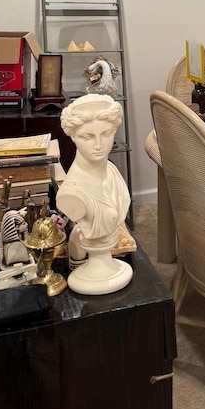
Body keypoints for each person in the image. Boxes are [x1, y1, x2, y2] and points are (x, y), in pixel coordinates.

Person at [56, 94, 132, 295]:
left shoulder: (113, 173)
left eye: (106, 133)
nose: (99, 144)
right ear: (73, 137)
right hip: (96, 272)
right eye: (88, 136)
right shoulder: (72, 194)